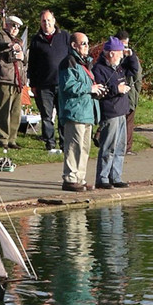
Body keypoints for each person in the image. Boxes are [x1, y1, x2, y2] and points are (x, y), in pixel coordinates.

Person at [56, 33, 102, 192]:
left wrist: (96, 91)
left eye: (87, 43)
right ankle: (70, 178)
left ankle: (80, 178)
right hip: (74, 111)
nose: (87, 46)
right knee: (73, 146)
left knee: (84, 148)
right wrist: (90, 88)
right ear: (74, 45)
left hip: (86, 111)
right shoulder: (68, 62)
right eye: (83, 43)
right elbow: (68, 85)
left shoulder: (85, 63)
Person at [26, 10, 71, 153]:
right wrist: (33, 84)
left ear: (54, 20)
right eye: (43, 21)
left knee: (63, 115)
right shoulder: (36, 40)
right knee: (46, 116)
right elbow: (32, 64)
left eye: (49, 20)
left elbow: (72, 57)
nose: (46, 23)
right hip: (43, 85)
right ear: (40, 23)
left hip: (63, 83)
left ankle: (64, 143)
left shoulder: (65, 36)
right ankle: (50, 144)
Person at [92, 37, 132, 189]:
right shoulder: (99, 69)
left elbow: (134, 68)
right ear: (110, 53)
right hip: (110, 112)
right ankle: (102, 178)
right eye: (119, 52)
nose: (122, 55)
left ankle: (115, 176)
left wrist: (131, 54)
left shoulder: (118, 66)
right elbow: (100, 91)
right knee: (108, 147)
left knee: (120, 147)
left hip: (121, 111)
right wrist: (117, 89)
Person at [0, 15, 26, 150]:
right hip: (4, 78)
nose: (16, 29)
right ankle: (3, 138)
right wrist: (9, 45)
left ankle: (12, 139)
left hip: (17, 80)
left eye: (18, 27)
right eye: (13, 25)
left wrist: (23, 57)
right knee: (4, 110)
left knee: (16, 112)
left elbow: (23, 60)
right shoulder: (0, 36)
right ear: (7, 24)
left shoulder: (18, 41)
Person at [118, 32, 142, 155]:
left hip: (130, 92)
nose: (124, 49)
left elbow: (137, 75)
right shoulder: (114, 58)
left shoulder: (131, 57)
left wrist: (136, 92)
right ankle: (126, 147)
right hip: (122, 93)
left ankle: (126, 147)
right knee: (124, 120)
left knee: (127, 119)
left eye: (126, 46)